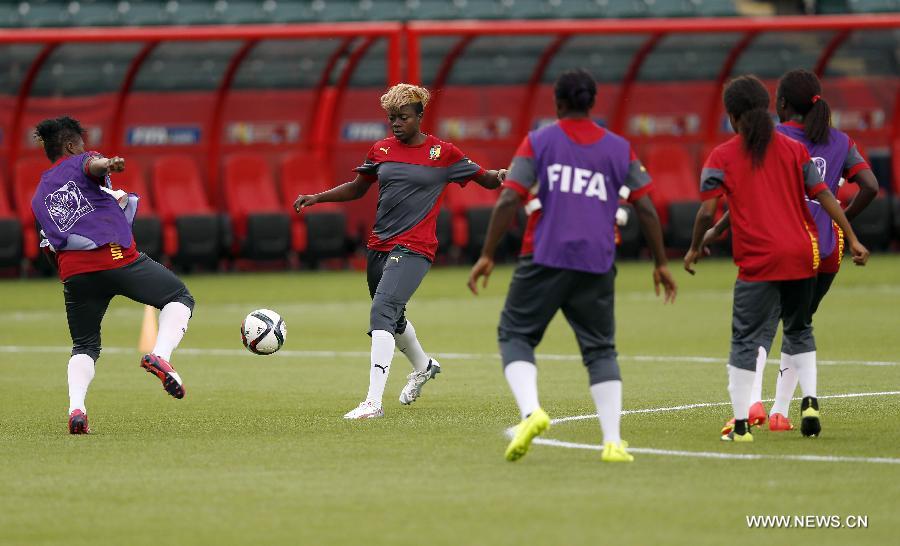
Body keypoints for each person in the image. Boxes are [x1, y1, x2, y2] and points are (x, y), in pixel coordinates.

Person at [468, 69, 677, 463]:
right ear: (591, 103)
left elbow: (509, 199)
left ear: (558, 103)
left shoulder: (539, 142)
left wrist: (487, 254)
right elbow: (646, 207)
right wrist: (661, 263)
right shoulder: (619, 148)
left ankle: (531, 413)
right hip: (597, 262)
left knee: (515, 334)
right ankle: (613, 442)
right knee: (600, 350)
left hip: (544, 257)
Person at [294, 84, 507, 419]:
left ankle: (372, 403)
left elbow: (486, 178)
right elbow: (356, 188)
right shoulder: (380, 150)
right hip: (379, 247)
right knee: (394, 319)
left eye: (403, 117)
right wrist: (317, 197)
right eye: (391, 118)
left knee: (382, 311)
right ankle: (423, 366)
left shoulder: (443, 153)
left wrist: (502, 177)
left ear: (420, 116)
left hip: (415, 248)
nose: (396, 123)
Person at [683, 75, 869, 442]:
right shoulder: (796, 150)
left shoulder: (726, 154)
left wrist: (696, 245)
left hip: (761, 256)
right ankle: (803, 402)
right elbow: (829, 195)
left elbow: (708, 211)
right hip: (810, 251)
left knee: (749, 335)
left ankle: (742, 422)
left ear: (733, 116)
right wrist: (852, 236)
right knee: (800, 327)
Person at [30, 116, 195, 435]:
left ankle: (76, 410)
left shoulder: (39, 195)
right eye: (81, 144)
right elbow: (93, 165)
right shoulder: (83, 161)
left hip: (74, 273)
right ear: (69, 146)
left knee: (85, 345)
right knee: (179, 297)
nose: (86, 149)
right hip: (115, 257)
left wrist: (70, 277)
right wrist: (109, 164)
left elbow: (48, 247)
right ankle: (160, 357)